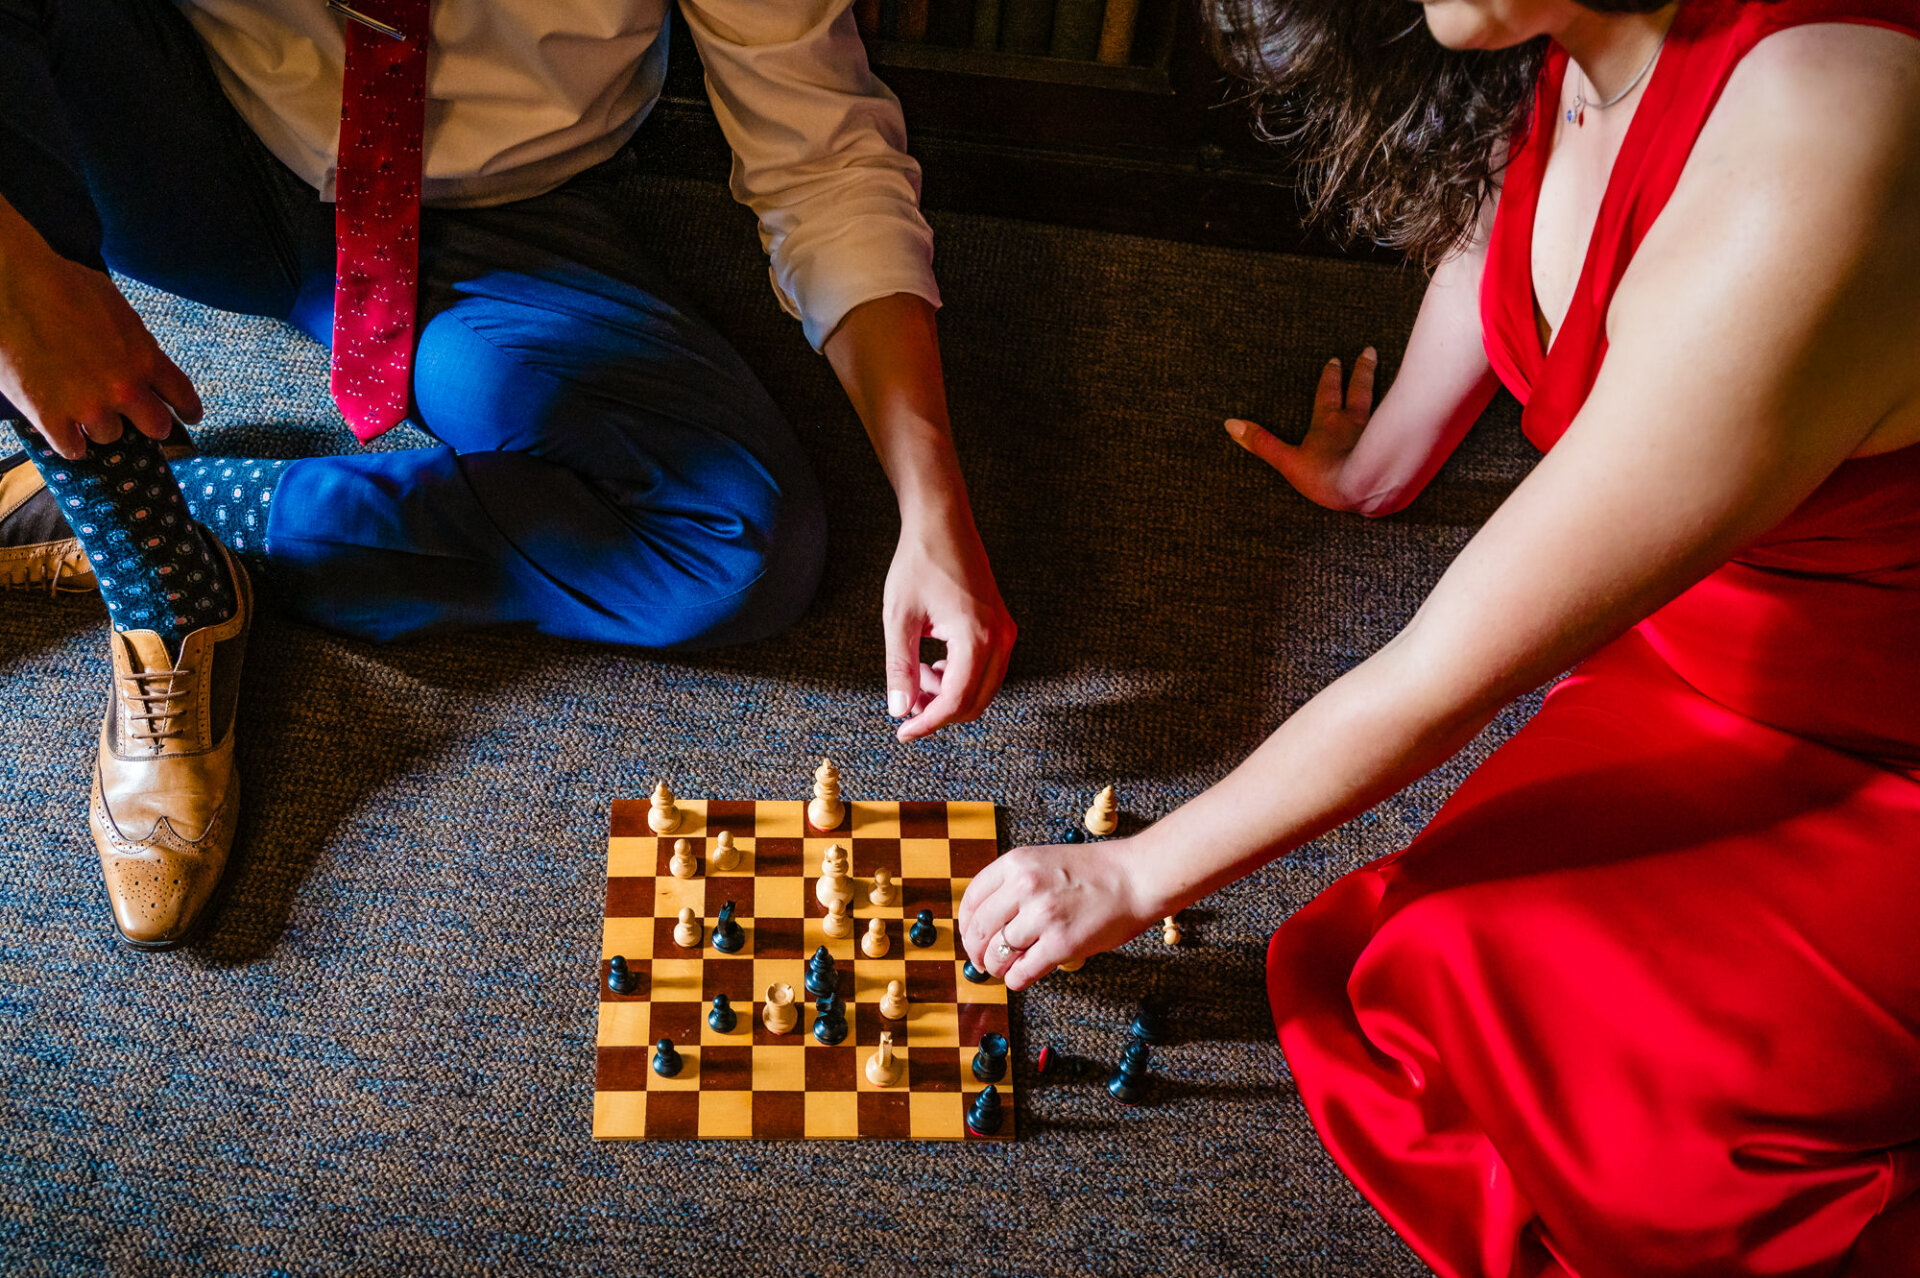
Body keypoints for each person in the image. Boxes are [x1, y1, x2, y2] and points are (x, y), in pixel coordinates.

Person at [958, 0, 1920, 1270]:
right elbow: (1514, 215)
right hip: (1695, 635)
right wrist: (1387, 455)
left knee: (1668, 1164)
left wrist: (1135, 876)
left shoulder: (1819, 130)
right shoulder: (1543, 31)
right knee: (1419, 968)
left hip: (1874, 721)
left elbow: (1437, 672)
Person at [0, 0, 1015, 950]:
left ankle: (151, 508)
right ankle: (153, 576)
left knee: (734, 545)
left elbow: (825, 160)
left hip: (498, 211)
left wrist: (931, 509)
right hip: (202, 144)